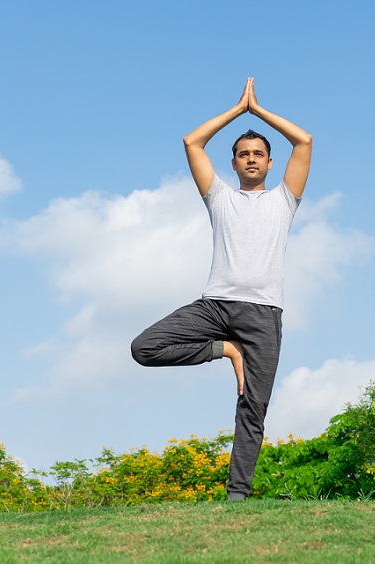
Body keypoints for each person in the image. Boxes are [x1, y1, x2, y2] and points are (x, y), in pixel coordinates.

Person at [131, 78, 312, 500]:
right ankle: (226, 349)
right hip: (215, 307)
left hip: (264, 316)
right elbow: (192, 141)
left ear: (270, 163)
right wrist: (237, 110)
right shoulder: (219, 197)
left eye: (258, 155)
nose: (251, 160)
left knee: (253, 407)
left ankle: (236, 499)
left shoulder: (284, 200)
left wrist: (259, 110)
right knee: (144, 348)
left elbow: (303, 141)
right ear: (232, 164)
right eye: (243, 154)